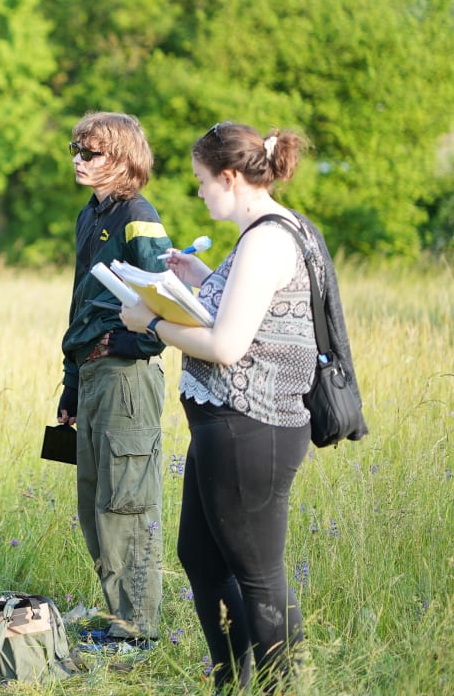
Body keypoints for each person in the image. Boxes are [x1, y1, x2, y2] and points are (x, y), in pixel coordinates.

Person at [121, 123, 314, 692]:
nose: (200, 192)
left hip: (252, 424)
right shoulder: (261, 234)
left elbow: (228, 347)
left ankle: (286, 685)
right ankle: (230, 682)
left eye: (203, 181)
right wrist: (199, 280)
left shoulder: (266, 240)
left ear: (230, 177)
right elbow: (248, 319)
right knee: (202, 560)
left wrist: (151, 321)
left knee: (258, 575)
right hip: (225, 421)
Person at [58, 112, 172, 647]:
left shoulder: (138, 214)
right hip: (94, 373)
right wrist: (71, 381)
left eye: (91, 153)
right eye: (76, 150)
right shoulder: (91, 214)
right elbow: (83, 298)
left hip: (128, 377)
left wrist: (139, 341)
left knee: (126, 505)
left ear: (123, 158)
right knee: (95, 503)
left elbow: (169, 294)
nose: (79, 160)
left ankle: (140, 633)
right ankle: (120, 620)